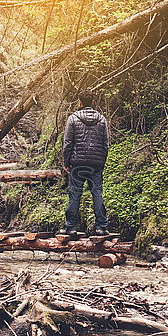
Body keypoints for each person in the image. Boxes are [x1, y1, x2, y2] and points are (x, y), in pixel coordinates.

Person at [62, 89, 109, 235]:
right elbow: (106, 144)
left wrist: (66, 161)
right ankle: (101, 226)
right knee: (97, 193)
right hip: (96, 164)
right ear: (93, 102)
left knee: (75, 193)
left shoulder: (73, 119)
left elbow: (68, 142)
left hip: (77, 163)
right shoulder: (102, 119)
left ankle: (71, 227)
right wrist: (102, 161)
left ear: (80, 102)